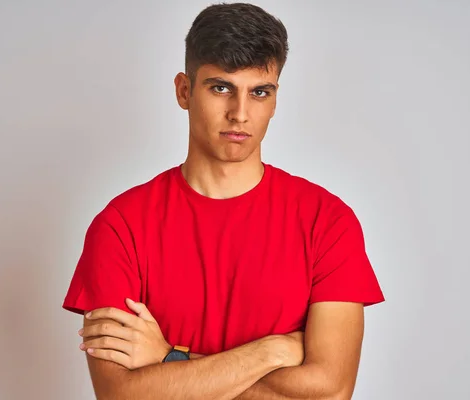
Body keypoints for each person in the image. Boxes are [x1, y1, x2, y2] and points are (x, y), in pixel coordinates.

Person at [63, 3, 384, 399]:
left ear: (275, 100)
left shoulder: (327, 221)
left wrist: (169, 359)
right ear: (184, 91)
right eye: (221, 88)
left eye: (260, 92)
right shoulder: (120, 226)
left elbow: (330, 392)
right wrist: (272, 351)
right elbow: (120, 394)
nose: (240, 113)